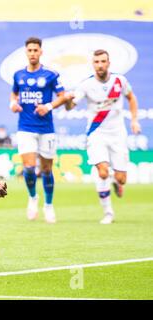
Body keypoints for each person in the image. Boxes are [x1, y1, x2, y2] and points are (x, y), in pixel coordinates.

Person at [64, 49, 141, 224]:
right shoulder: (86, 85)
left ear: (108, 63)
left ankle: (116, 182)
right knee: (103, 172)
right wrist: (68, 100)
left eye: (103, 61)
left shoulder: (120, 80)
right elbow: (70, 107)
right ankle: (108, 213)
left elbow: (131, 98)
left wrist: (134, 120)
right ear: (93, 64)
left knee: (121, 178)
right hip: (96, 133)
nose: (100, 65)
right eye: (96, 62)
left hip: (118, 134)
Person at [10, 37, 66, 223]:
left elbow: (63, 97)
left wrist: (48, 107)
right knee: (28, 167)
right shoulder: (18, 75)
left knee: (47, 170)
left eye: (36, 50)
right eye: (30, 50)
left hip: (46, 129)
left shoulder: (51, 75)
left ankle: (48, 205)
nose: (33, 53)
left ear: (41, 52)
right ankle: (33, 198)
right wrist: (13, 103)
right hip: (25, 127)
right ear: (26, 52)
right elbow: (14, 93)